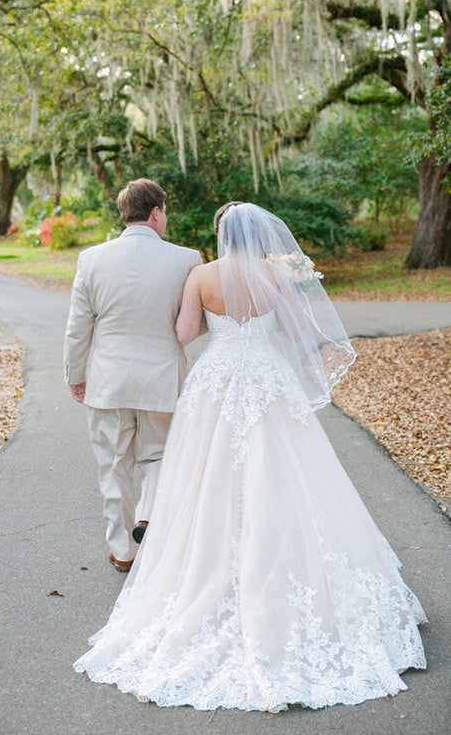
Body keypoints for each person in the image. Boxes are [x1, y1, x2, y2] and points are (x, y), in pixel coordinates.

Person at [73, 202, 426, 712]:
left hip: (216, 382)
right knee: (286, 475)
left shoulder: (201, 274)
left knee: (205, 479)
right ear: (259, 235)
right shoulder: (273, 276)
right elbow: (294, 330)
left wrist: (213, 325)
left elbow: (184, 334)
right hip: (267, 381)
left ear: (220, 234)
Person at [63, 178, 202, 572]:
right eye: (166, 211)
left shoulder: (91, 259)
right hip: (163, 380)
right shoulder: (187, 259)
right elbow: (196, 322)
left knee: (113, 465)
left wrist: (76, 375)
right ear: (156, 211)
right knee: (160, 456)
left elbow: (78, 328)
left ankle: (123, 549)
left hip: (109, 383)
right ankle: (149, 515)